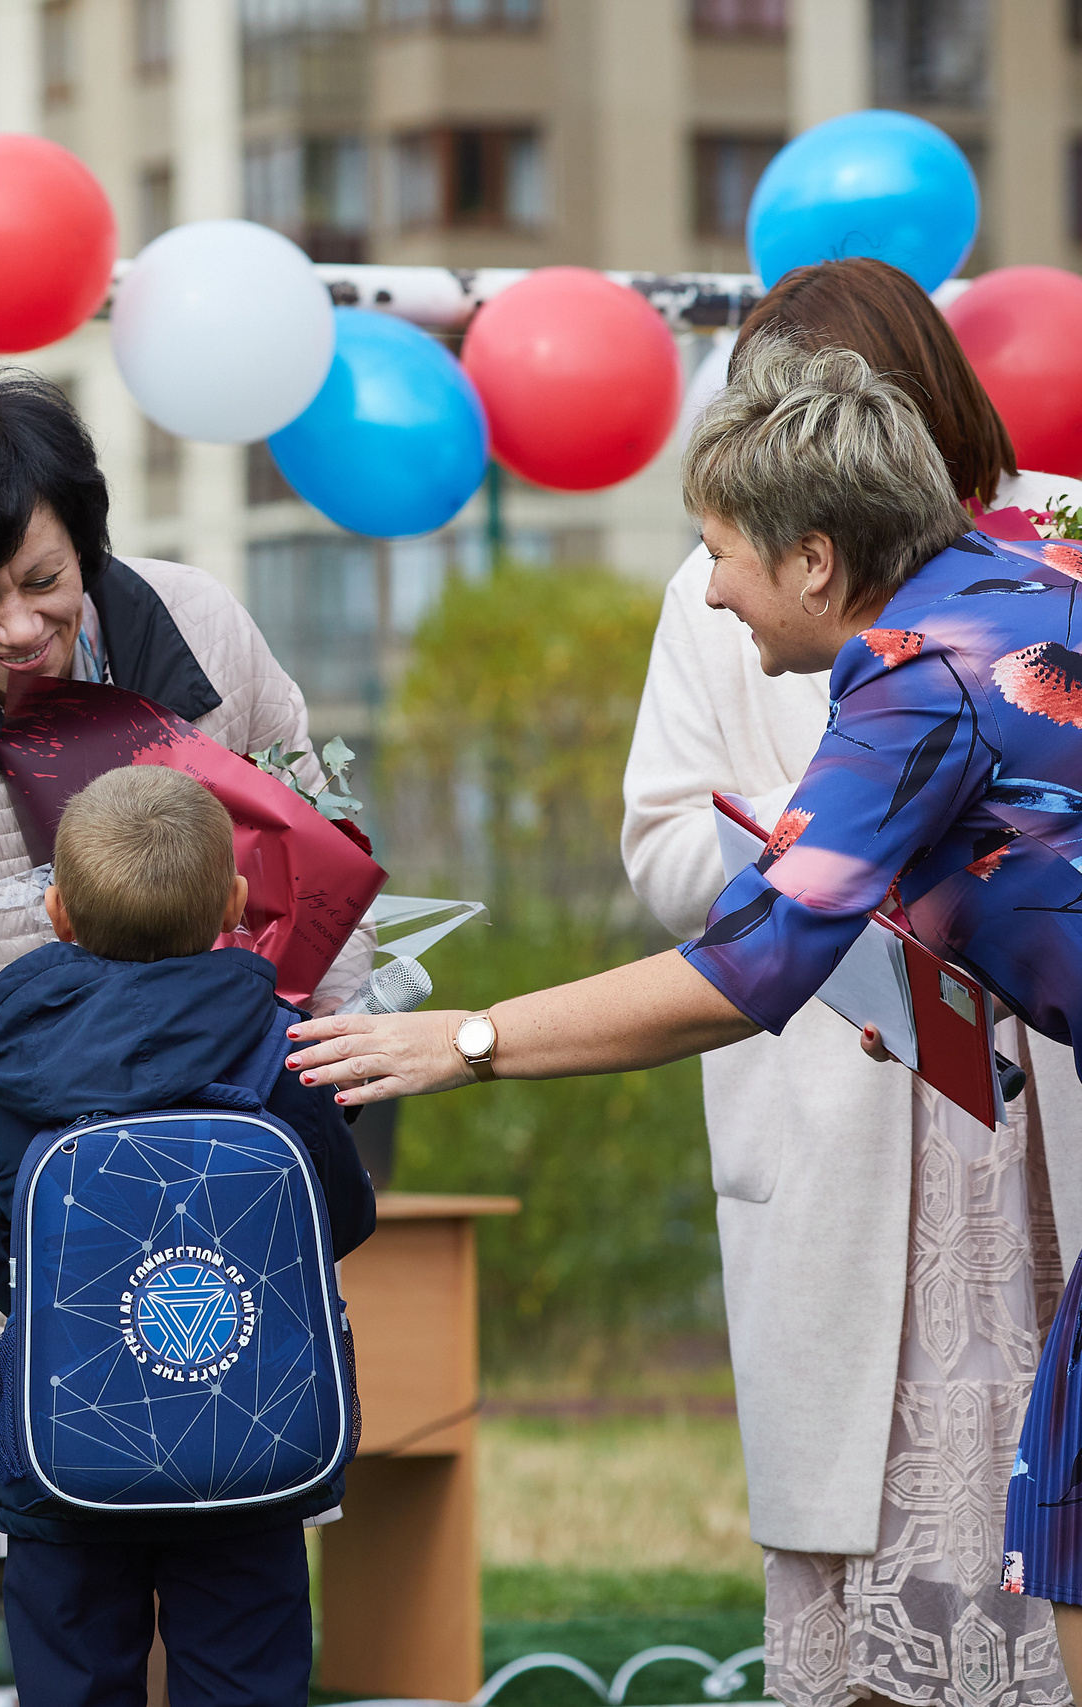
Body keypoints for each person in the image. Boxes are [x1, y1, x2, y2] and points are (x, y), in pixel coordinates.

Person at [286, 336, 1082, 1698]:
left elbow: (749, 965)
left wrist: (464, 1039)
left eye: (720, 551)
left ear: (817, 560)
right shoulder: (1029, 581)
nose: (710, 590)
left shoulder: (920, 676)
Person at [621, 256, 1082, 1707]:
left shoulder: (1050, 545)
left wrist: (479, 1035)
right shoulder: (727, 574)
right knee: (869, 1510)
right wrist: (812, 831)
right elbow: (669, 847)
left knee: (1049, 1488)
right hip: (848, 1074)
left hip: (1033, 1098)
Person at [0, 374, 371, 1450]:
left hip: (241, 1168)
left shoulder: (201, 627)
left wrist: (303, 1088)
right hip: (28, 1210)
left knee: (249, 1492)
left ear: (87, 544)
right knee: (71, 1526)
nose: (21, 627)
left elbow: (323, 861)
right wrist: (69, 1126)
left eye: (44, 581)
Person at [0, 766, 375, 1706]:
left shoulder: (20, 1062)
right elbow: (338, 1220)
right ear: (234, 903)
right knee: (246, 1681)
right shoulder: (279, 1048)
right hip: (246, 1442)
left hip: (62, 1446)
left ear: (57, 911)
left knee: (73, 1685)